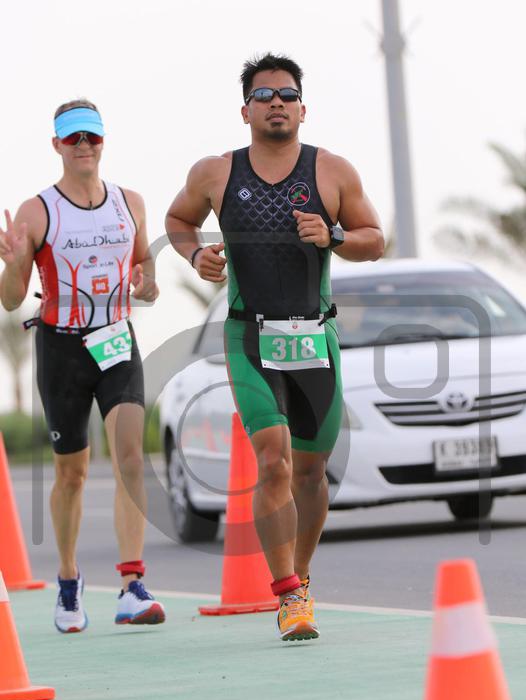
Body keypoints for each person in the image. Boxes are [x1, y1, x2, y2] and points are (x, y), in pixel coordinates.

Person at [165, 53, 384, 641]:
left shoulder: (332, 171)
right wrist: (196, 253)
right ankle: (286, 593)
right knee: (273, 461)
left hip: (314, 336)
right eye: (264, 96)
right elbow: (178, 219)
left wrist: (333, 235)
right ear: (246, 111)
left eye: (287, 95)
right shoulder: (216, 173)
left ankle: (301, 579)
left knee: (310, 473)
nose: (277, 103)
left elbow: (374, 240)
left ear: (303, 109)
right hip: (250, 335)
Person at [0, 99, 165, 632]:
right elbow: (10, 299)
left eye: (91, 136)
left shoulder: (130, 202)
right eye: (73, 138)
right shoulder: (36, 211)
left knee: (130, 458)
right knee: (70, 474)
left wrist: (148, 282)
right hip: (62, 351)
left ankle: (131, 585)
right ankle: (68, 581)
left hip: (117, 341)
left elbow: (144, 262)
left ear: (103, 141)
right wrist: (12, 264)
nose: (83, 146)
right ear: (57, 145)